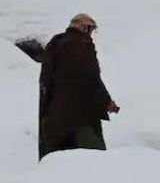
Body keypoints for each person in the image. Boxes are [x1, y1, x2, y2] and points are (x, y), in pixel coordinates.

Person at [38, 13, 119, 159]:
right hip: (82, 116)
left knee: (60, 161)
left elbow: (45, 81)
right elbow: (91, 78)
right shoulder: (82, 45)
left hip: (55, 116)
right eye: (91, 29)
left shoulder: (55, 44)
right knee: (94, 159)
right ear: (84, 28)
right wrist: (106, 101)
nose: (92, 34)